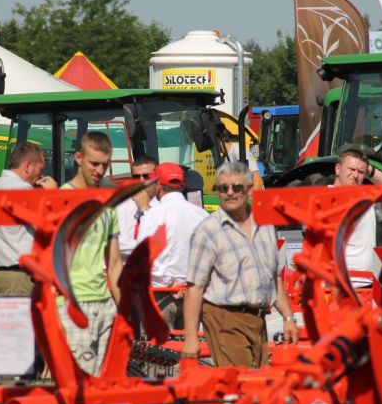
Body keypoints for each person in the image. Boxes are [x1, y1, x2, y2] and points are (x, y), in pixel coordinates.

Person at [181, 161, 298, 368]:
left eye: (236, 187)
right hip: (224, 318)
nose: (229, 193)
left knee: (261, 384)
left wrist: (288, 317)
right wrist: (191, 338)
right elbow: (194, 288)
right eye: (222, 188)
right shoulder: (208, 231)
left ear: (248, 189)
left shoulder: (265, 225)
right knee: (242, 385)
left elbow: (274, 277)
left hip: (257, 319)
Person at [58, 131, 122, 375]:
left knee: (105, 384)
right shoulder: (61, 201)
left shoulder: (107, 204)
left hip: (105, 304)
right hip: (72, 305)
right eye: (94, 163)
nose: (99, 170)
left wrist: (123, 307)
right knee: (77, 386)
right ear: (78, 158)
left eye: (105, 165)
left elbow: (115, 263)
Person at [0, 142, 57, 295]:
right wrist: (52, 193)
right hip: (19, 278)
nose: (41, 175)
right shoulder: (23, 190)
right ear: (28, 166)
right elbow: (49, 225)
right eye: (40, 169)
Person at [136, 162, 209, 329]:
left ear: (158, 185)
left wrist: (169, 282)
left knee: (159, 352)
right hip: (192, 294)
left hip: (160, 296)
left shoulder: (152, 215)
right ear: (182, 185)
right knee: (188, 349)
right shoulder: (201, 215)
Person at [332, 149, 382, 284]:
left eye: (360, 172)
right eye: (351, 169)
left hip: (367, 283)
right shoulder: (322, 198)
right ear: (338, 169)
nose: (355, 175)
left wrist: (371, 171)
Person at [117, 155, 159, 262]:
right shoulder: (122, 205)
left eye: (147, 176)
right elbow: (118, 244)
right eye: (136, 177)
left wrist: (146, 209)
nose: (141, 180)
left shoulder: (164, 206)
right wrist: (149, 247)